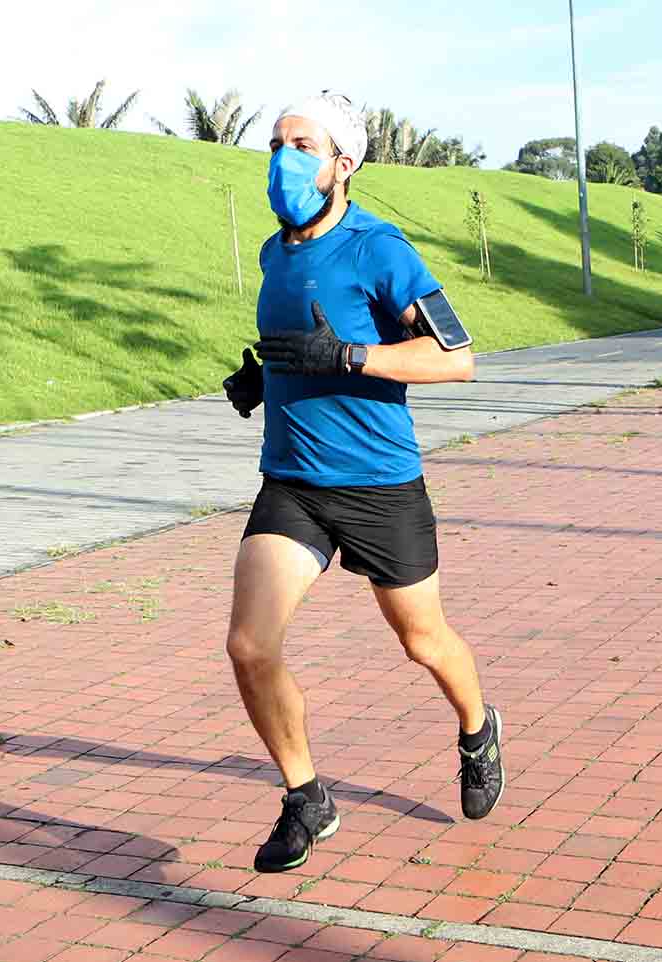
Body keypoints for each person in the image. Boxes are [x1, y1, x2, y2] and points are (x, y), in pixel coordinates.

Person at [219, 92, 505, 874]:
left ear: (343, 164)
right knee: (249, 645)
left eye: (302, 143)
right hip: (292, 484)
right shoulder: (276, 251)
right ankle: (305, 797)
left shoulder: (381, 249)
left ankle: (478, 728)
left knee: (422, 641)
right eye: (276, 142)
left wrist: (348, 358)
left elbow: (457, 359)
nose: (284, 157)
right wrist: (265, 377)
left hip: (379, 485)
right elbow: (298, 340)